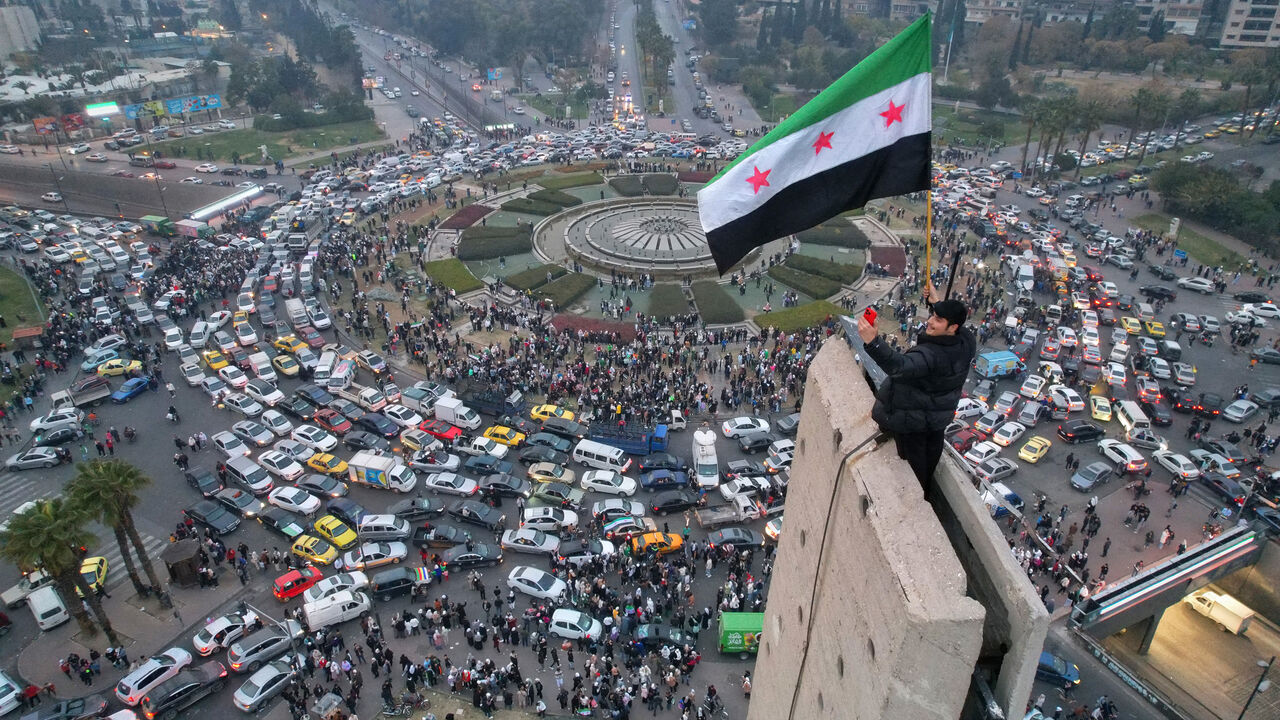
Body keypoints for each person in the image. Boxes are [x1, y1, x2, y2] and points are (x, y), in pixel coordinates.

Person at [858, 284, 976, 487]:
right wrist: (937, 303)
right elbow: (953, 323)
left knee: (914, 474)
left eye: (938, 319)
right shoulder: (966, 341)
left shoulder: (930, 356)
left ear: (953, 327)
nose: (929, 321)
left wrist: (874, 342)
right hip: (936, 419)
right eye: (933, 316)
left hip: (912, 421)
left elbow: (899, 367)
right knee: (929, 461)